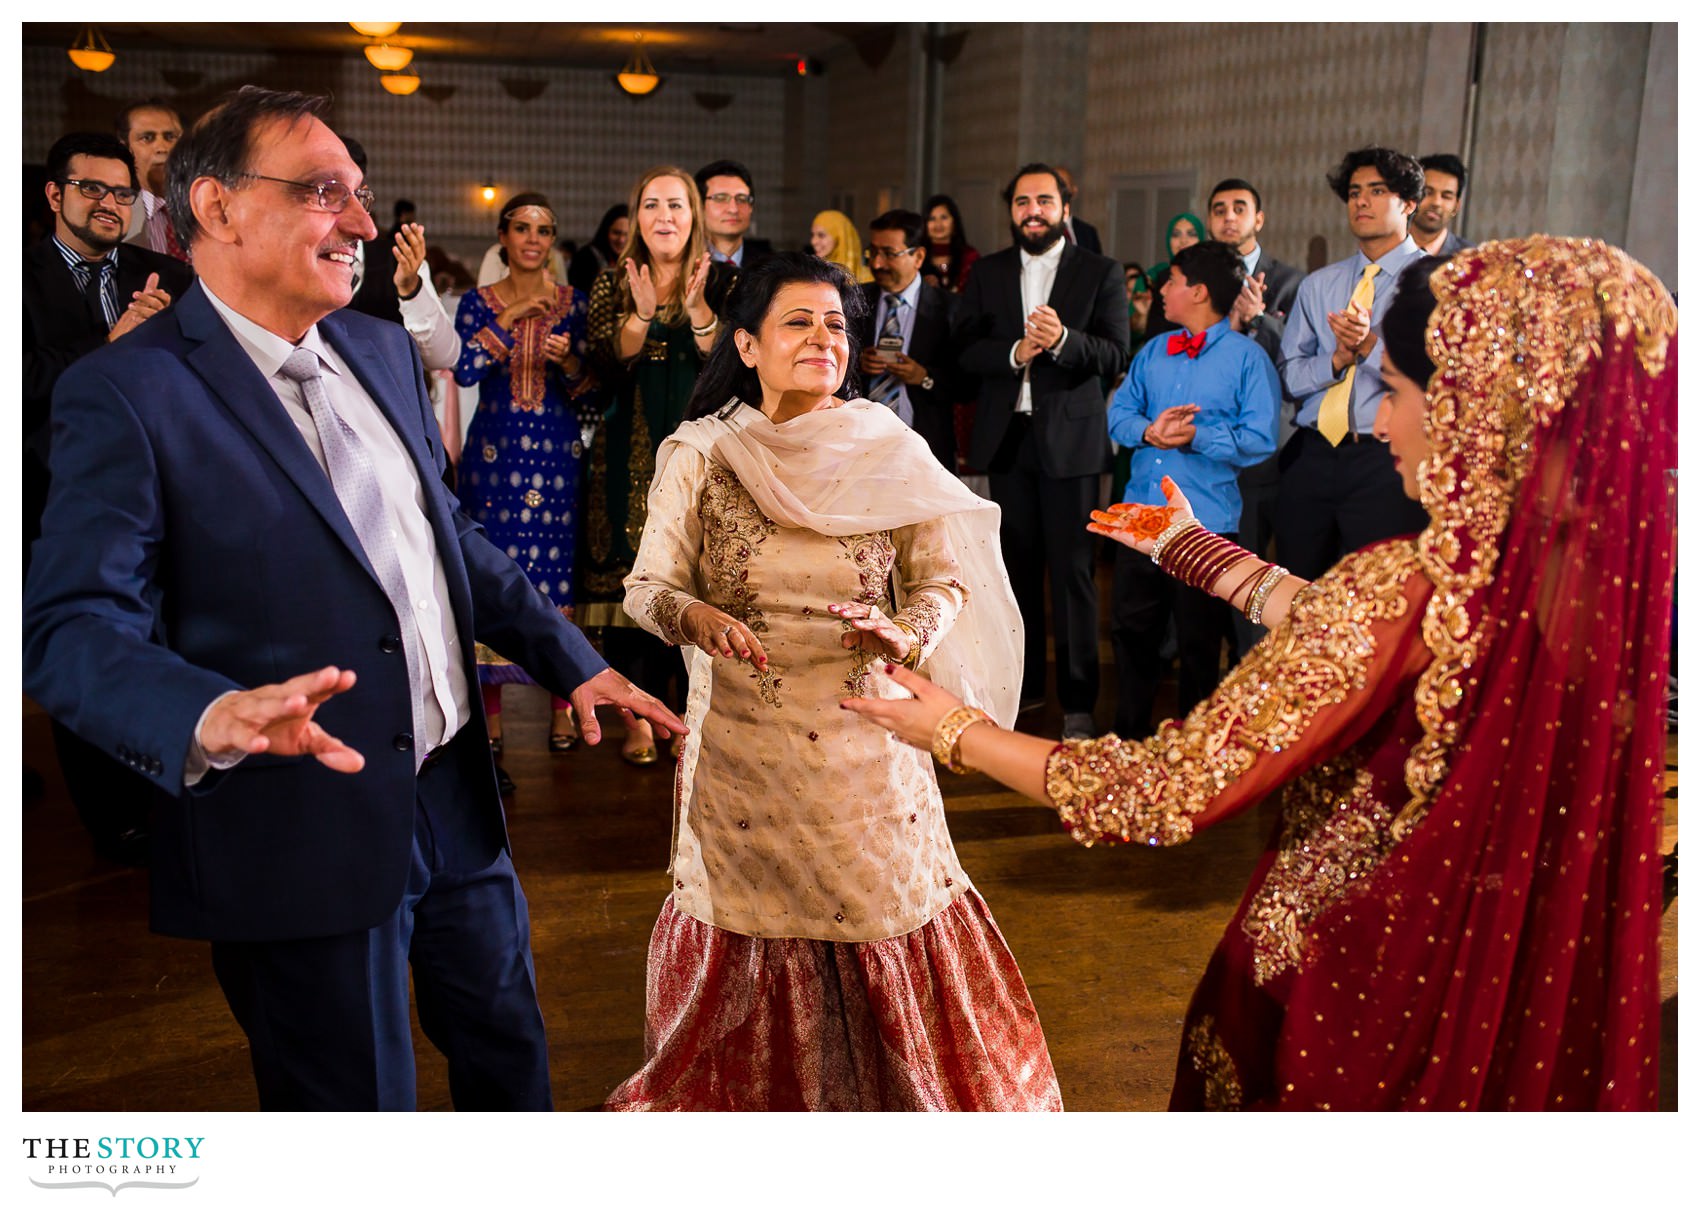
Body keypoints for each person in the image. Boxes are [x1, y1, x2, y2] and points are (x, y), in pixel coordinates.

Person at [847, 236, 1676, 1111]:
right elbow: (1359, 635)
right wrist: (1192, 549)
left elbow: (1165, 788)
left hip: (1359, 987)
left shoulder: (1406, 587)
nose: (1380, 419)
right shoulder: (1599, 589)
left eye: (1393, 390)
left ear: (1485, 407)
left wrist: (953, 729)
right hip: (1507, 982)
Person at [20, 86, 685, 1112]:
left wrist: (574, 659)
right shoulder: (128, 390)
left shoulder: (375, 348)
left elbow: (444, 538)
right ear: (217, 207)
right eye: (326, 192)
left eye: (361, 195)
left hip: (453, 794)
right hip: (296, 818)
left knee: (510, 1058)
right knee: (354, 1105)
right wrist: (201, 713)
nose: (366, 225)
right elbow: (69, 628)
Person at [606, 252, 1059, 1111]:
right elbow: (645, 585)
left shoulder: (887, 446)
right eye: (799, 323)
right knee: (752, 929)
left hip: (868, 748)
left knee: (880, 919)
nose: (824, 339)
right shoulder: (702, 451)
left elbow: (943, 577)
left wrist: (909, 628)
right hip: (745, 756)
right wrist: (694, 619)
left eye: (837, 325)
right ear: (746, 343)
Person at [25, 130, 194, 867]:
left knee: (164, 639)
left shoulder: (164, 272)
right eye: (90, 188)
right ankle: (113, 816)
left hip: (162, 488)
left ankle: (169, 793)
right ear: (54, 194)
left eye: (121, 192)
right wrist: (112, 342)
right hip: (50, 491)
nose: (108, 203)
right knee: (89, 640)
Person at [956, 162, 1129, 739]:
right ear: (1011, 210)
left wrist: (1063, 342)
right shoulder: (989, 271)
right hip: (1009, 442)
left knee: (1074, 574)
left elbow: (1113, 355)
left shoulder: (1099, 272)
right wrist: (1013, 352)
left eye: (1045, 201)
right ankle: (1021, 689)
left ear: (1065, 209)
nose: (1033, 210)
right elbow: (962, 351)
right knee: (1015, 572)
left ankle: (1078, 702)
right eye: (1023, 200)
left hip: (1072, 446)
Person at [582, 166, 732, 765]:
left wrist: (698, 312)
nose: (664, 216)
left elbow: (730, 368)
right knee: (631, 573)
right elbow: (604, 366)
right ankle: (639, 717)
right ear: (636, 215)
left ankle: (691, 713)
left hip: (702, 446)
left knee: (695, 572)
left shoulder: (723, 281)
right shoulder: (611, 282)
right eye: (651, 205)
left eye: (676, 204)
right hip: (627, 446)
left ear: (694, 213)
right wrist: (641, 315)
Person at [1105, 240, 1278, 737]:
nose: (1162, 288)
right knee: (1131, 636)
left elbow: (1261, 438)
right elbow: (1118, 415)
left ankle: (1194, 752)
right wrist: (1149, 432)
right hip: (1141, 522)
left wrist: (1198, 435)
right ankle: (1126, 743)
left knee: (1200, 645)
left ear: (1198, 292)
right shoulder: (1154, 350)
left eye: (1173, 280)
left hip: (1207, 528)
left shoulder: (1247, 359)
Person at [453, 192, 595, 768]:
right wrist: (506, 322)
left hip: (556, 460)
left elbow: (592, 389)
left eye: (545, 230)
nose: (534, 239)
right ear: (503, 238)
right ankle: (490, 718)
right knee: (491, 574)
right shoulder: (476, 302)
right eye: (523, 228)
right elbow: (461, 368)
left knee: (555, 581)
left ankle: (564, 708)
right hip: (494, 457)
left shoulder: (575, 303)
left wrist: (567, 363)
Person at [1276, 146, 1428, 581]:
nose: (1361, 202)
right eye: (1355, 192)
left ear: (1409, 204)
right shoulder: (1320, 285)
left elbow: (1435, 378)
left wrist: (1367, 347)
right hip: (1313, 455)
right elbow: (1290, 376)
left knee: (1378, 594)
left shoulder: (1435, 281)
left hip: (1386, 460)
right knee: (1295, 591)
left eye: (1378, 191)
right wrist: (1338, 359)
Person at [1204, 176, 1306, 654]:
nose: (1229, 217)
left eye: (1239, 208)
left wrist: (1258, 321)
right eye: (1219, 209)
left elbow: (1295, 364)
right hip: (1200, 449)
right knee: (1204, 571)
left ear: (1258, 219)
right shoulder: (1196, 277)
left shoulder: (1289, 282)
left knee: (1254, 574)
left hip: (1265, 451)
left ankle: (1253, 674)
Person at [854, 207, 960, 467]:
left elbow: (967, 383)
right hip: (860, 448)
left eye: (889, 254)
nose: (877, 264)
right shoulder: (854, 302)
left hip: (925, 450)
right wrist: (857, 363)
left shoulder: (951, 310)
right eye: (873, 252)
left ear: (919, 256)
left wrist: (923, 377)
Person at [116, 98, 187, 261]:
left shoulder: (210, 208)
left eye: (170, 137)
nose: (162, 148)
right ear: (126, 148)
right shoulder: (117, 216)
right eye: (147, 138)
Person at [693, 158, 773, 275]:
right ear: (699, 206)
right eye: (720, 198)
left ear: (751, 207)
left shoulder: (770, 266)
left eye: (742, 199)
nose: (733, 209)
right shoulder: (684, 264)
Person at [1141, 210, 1204, 341]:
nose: (1183, 241)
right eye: (1176, 235)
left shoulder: (1211, 275)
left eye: (1191, 234)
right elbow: (1154, 330)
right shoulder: (1162, 277)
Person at [1412, 153, 1473, 256]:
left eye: (1446, 196)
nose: (1436, 203)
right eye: (1427, 192)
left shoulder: (1470, 258)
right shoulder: (1384, 248)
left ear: (1456, 207)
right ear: (1411, 196)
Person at [920, 193, 978, 293]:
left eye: (944, 217)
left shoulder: (970, 256)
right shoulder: (916, 256)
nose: (938, 224)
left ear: (954, 222)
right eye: (932, 219)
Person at [568, 202, 630, 294]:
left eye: (627, 234)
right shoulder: (586, 258)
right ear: (606, 231)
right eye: (616, 233)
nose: (621, 240)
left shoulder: (637, 258)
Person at [808, 209, 872, 284]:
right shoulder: (811, 275)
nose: (813, 241)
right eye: (812, 235)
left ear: (840, 238)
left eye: (821, 235)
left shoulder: (869, 280)